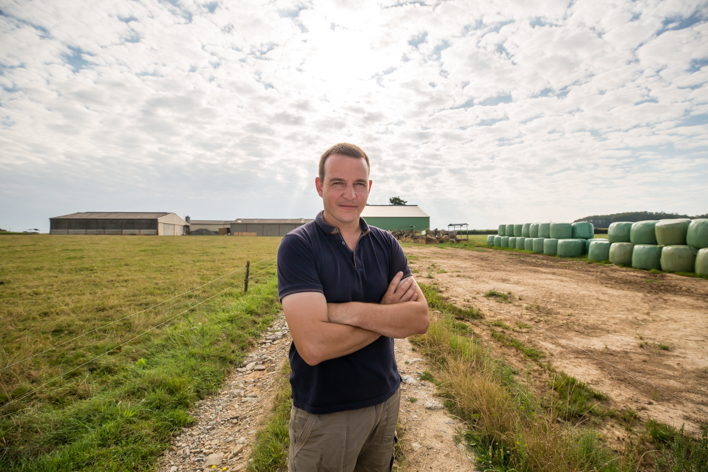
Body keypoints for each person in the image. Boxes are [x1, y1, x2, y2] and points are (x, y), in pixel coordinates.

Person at [277, 142, 430, 472]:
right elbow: (314, 346)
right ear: (320, 186)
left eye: (359, 184)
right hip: (326, 414)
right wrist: (386, 314)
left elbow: (419, 318)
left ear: (369, 188)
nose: (350, 194)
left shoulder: (386, 244)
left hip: (386, 401)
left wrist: (348, 311)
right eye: (338, 183)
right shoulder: (299, 246)